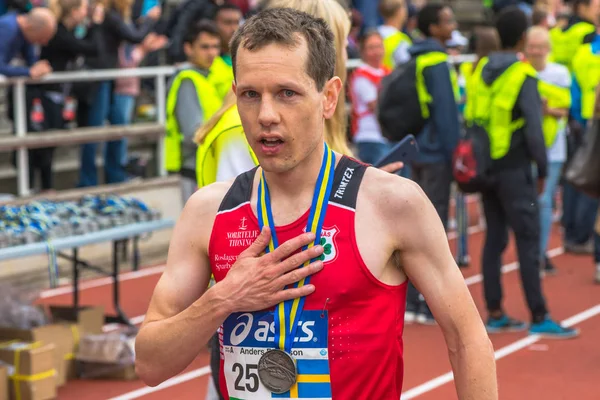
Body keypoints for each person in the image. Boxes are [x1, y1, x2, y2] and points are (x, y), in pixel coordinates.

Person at [135, 7, 497, 399]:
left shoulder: (392, 204)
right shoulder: (208, 211)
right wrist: (224, 298)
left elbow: (467, 340)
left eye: (287, 94)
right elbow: (150, 364)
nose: (266, 115)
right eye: (250, 95)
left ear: (329, 98)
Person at [470, 6, 578, 338]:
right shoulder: (523, 75)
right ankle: (539, 314)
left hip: (485, 168)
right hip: (516, 170)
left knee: (495, 240)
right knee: (529, 241)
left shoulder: (480, 70)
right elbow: (534, 130)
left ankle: (496, 311)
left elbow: (471, 117)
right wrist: (543, 169)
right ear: (521, 38)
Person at [404, 3, 461, 325]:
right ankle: (421, 299)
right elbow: (446, 114)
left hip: (418, 148)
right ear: (432, 27)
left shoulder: (415, 57)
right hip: (436, 153)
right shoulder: (437, 62)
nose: (452, 25)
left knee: (415, 226)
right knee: (431, 229)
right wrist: (454, 154)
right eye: (446, 21)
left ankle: (413, 297)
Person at [524, 26, 571, 276]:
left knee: (543, 202)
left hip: (552, 150)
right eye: (532, 46)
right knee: (527, 203)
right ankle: (531, 252)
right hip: (525, 147)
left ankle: (539, 255)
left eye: (541, 47)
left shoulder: (560, 72)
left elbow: (566, 109)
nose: (536, 52)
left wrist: (544, 109)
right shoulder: (521, 71)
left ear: (549, 49)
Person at [165, 19, 223, 203]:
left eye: (215, 47)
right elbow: (193, 133)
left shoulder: (207, 77)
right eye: (204, 47)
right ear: (188, 48)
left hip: (204, 165)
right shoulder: (187, 80)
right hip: (192, 168)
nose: (212, 53)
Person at [349, 30, 392, 164]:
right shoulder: (361, 75)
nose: (377, 51)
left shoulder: (387, 71)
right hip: (370, 136)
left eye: (379, 46)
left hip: (386, 136)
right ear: (362, 51)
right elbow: (376, 106)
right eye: (371, 47)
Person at [0, 6, 56, 78]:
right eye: (41, 38)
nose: (44, 43)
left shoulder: (26, 34)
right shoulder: (8, 28)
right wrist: (28, 72)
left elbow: (32, 63)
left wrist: (39, 68)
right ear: (30, 27)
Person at [209, 3, 242, 100]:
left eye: (237, 22)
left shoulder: (247, 57)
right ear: (214, 24)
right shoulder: (206, 61)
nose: (234, 28)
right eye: (227, 23)